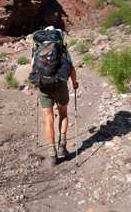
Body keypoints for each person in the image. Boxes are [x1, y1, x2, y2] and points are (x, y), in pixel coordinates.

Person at [29, 26, 78, 166]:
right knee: (63, 114)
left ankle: (52, 153)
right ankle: (62, 146)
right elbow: (71, 68)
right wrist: (74, 84)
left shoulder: (38, 49)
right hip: (60, 86)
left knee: (48, 120)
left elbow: (31, 70)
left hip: (44, 88)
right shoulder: (61, 48)